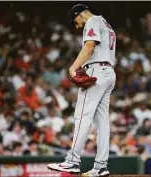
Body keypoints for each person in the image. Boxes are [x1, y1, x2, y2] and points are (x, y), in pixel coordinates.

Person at [47, 4, 116, 177]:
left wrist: (73, 67)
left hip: (96, 71)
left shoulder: (91, 20)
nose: (77, 26)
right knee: (102, 122)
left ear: (79, 15)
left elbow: (90, 46)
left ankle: (72, 161)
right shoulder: (107, 24)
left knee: (82, 116)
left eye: (76, 21)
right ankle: (101, 166)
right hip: (109, 73)